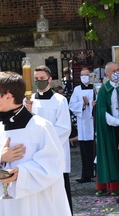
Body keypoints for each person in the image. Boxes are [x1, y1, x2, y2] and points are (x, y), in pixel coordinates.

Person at [0, 72, 71, 216]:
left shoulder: (41, 127)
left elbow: (54, 164)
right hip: (7, 202)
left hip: (38, 201)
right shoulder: (1, 126)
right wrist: (1, 157)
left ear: (8, 96)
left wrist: (22, 173)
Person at [25, 65, 73, 214]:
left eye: (42, 79)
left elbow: (64, 128)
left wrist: (44, 138)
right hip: (35, 152)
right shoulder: (28, 101)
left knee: (59, 189)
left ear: (50, 80)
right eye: (36, 79)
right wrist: (26, 112)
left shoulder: (60, 100)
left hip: (55, 151)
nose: (39, 82)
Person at [95, 62, 119, 204]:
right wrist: (118, 122)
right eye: (113, 71)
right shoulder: (104, 90)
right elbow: (102, 112)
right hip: (114, 130)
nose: (116, 73)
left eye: (118, 70)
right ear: (107, 75)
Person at [69, 67, 95, 183]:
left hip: (93, 123)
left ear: (91, 76)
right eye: (82, 75)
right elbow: (72, 105)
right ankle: (86, 175)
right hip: (83, 124)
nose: (84, 77)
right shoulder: (77, 89)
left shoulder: (95, 88)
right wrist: (84, 104)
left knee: (94, 149)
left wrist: (93, 104)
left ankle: (96, 174)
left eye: (86, 75)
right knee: (84, 151)